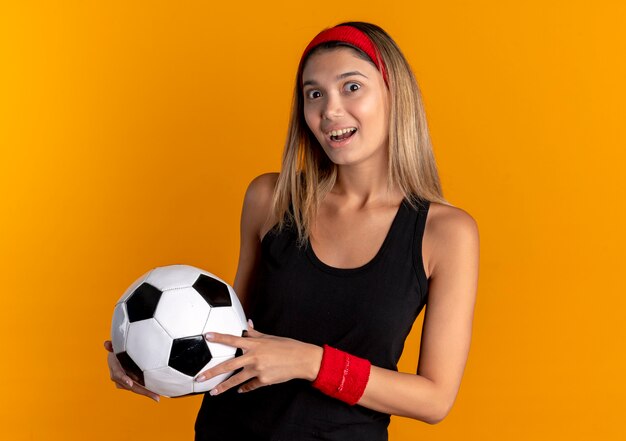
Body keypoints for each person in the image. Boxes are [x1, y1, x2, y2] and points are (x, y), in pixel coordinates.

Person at [105, 21, 479, 440]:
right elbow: (228, 342)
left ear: (395, 94)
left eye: (351, 87)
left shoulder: (445, 233)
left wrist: (310, 362)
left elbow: (434, 399)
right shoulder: (270, 199)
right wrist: (141, 355)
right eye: (314, 94)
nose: (330, 110)